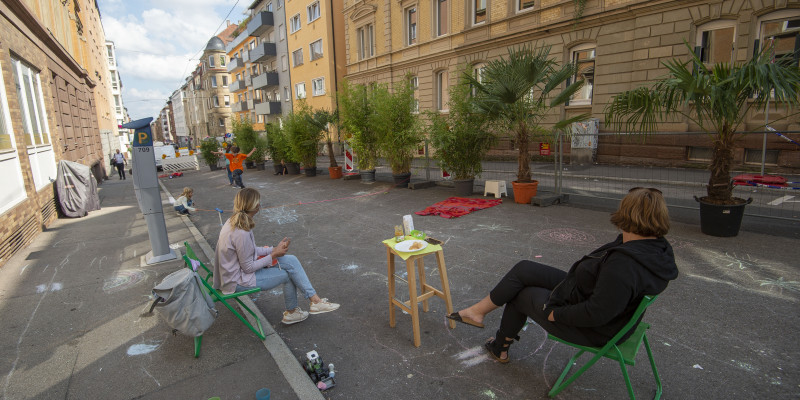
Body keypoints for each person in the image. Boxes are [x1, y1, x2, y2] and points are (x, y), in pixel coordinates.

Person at [447, 187, 678, 363]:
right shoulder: (654, 246)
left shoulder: (625, 265)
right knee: (524, 269)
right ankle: (477, 312)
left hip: (595, 328)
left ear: (627, 215)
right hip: (585, 291)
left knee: (520, 295)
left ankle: (500, 347)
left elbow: (597, 313)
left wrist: (556, 315)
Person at [213, 188, 339, 325]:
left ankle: (314, 302)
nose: (259, 205)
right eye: (258, 202)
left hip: (231, 276)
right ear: (253, 206)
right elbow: (248, 267)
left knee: (291, 260)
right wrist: (273, 254)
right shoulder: (241, 232)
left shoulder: (234, 222)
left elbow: (250, 250)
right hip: (236, 282)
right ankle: (301, 308)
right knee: (289, 273)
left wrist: (273, 249)